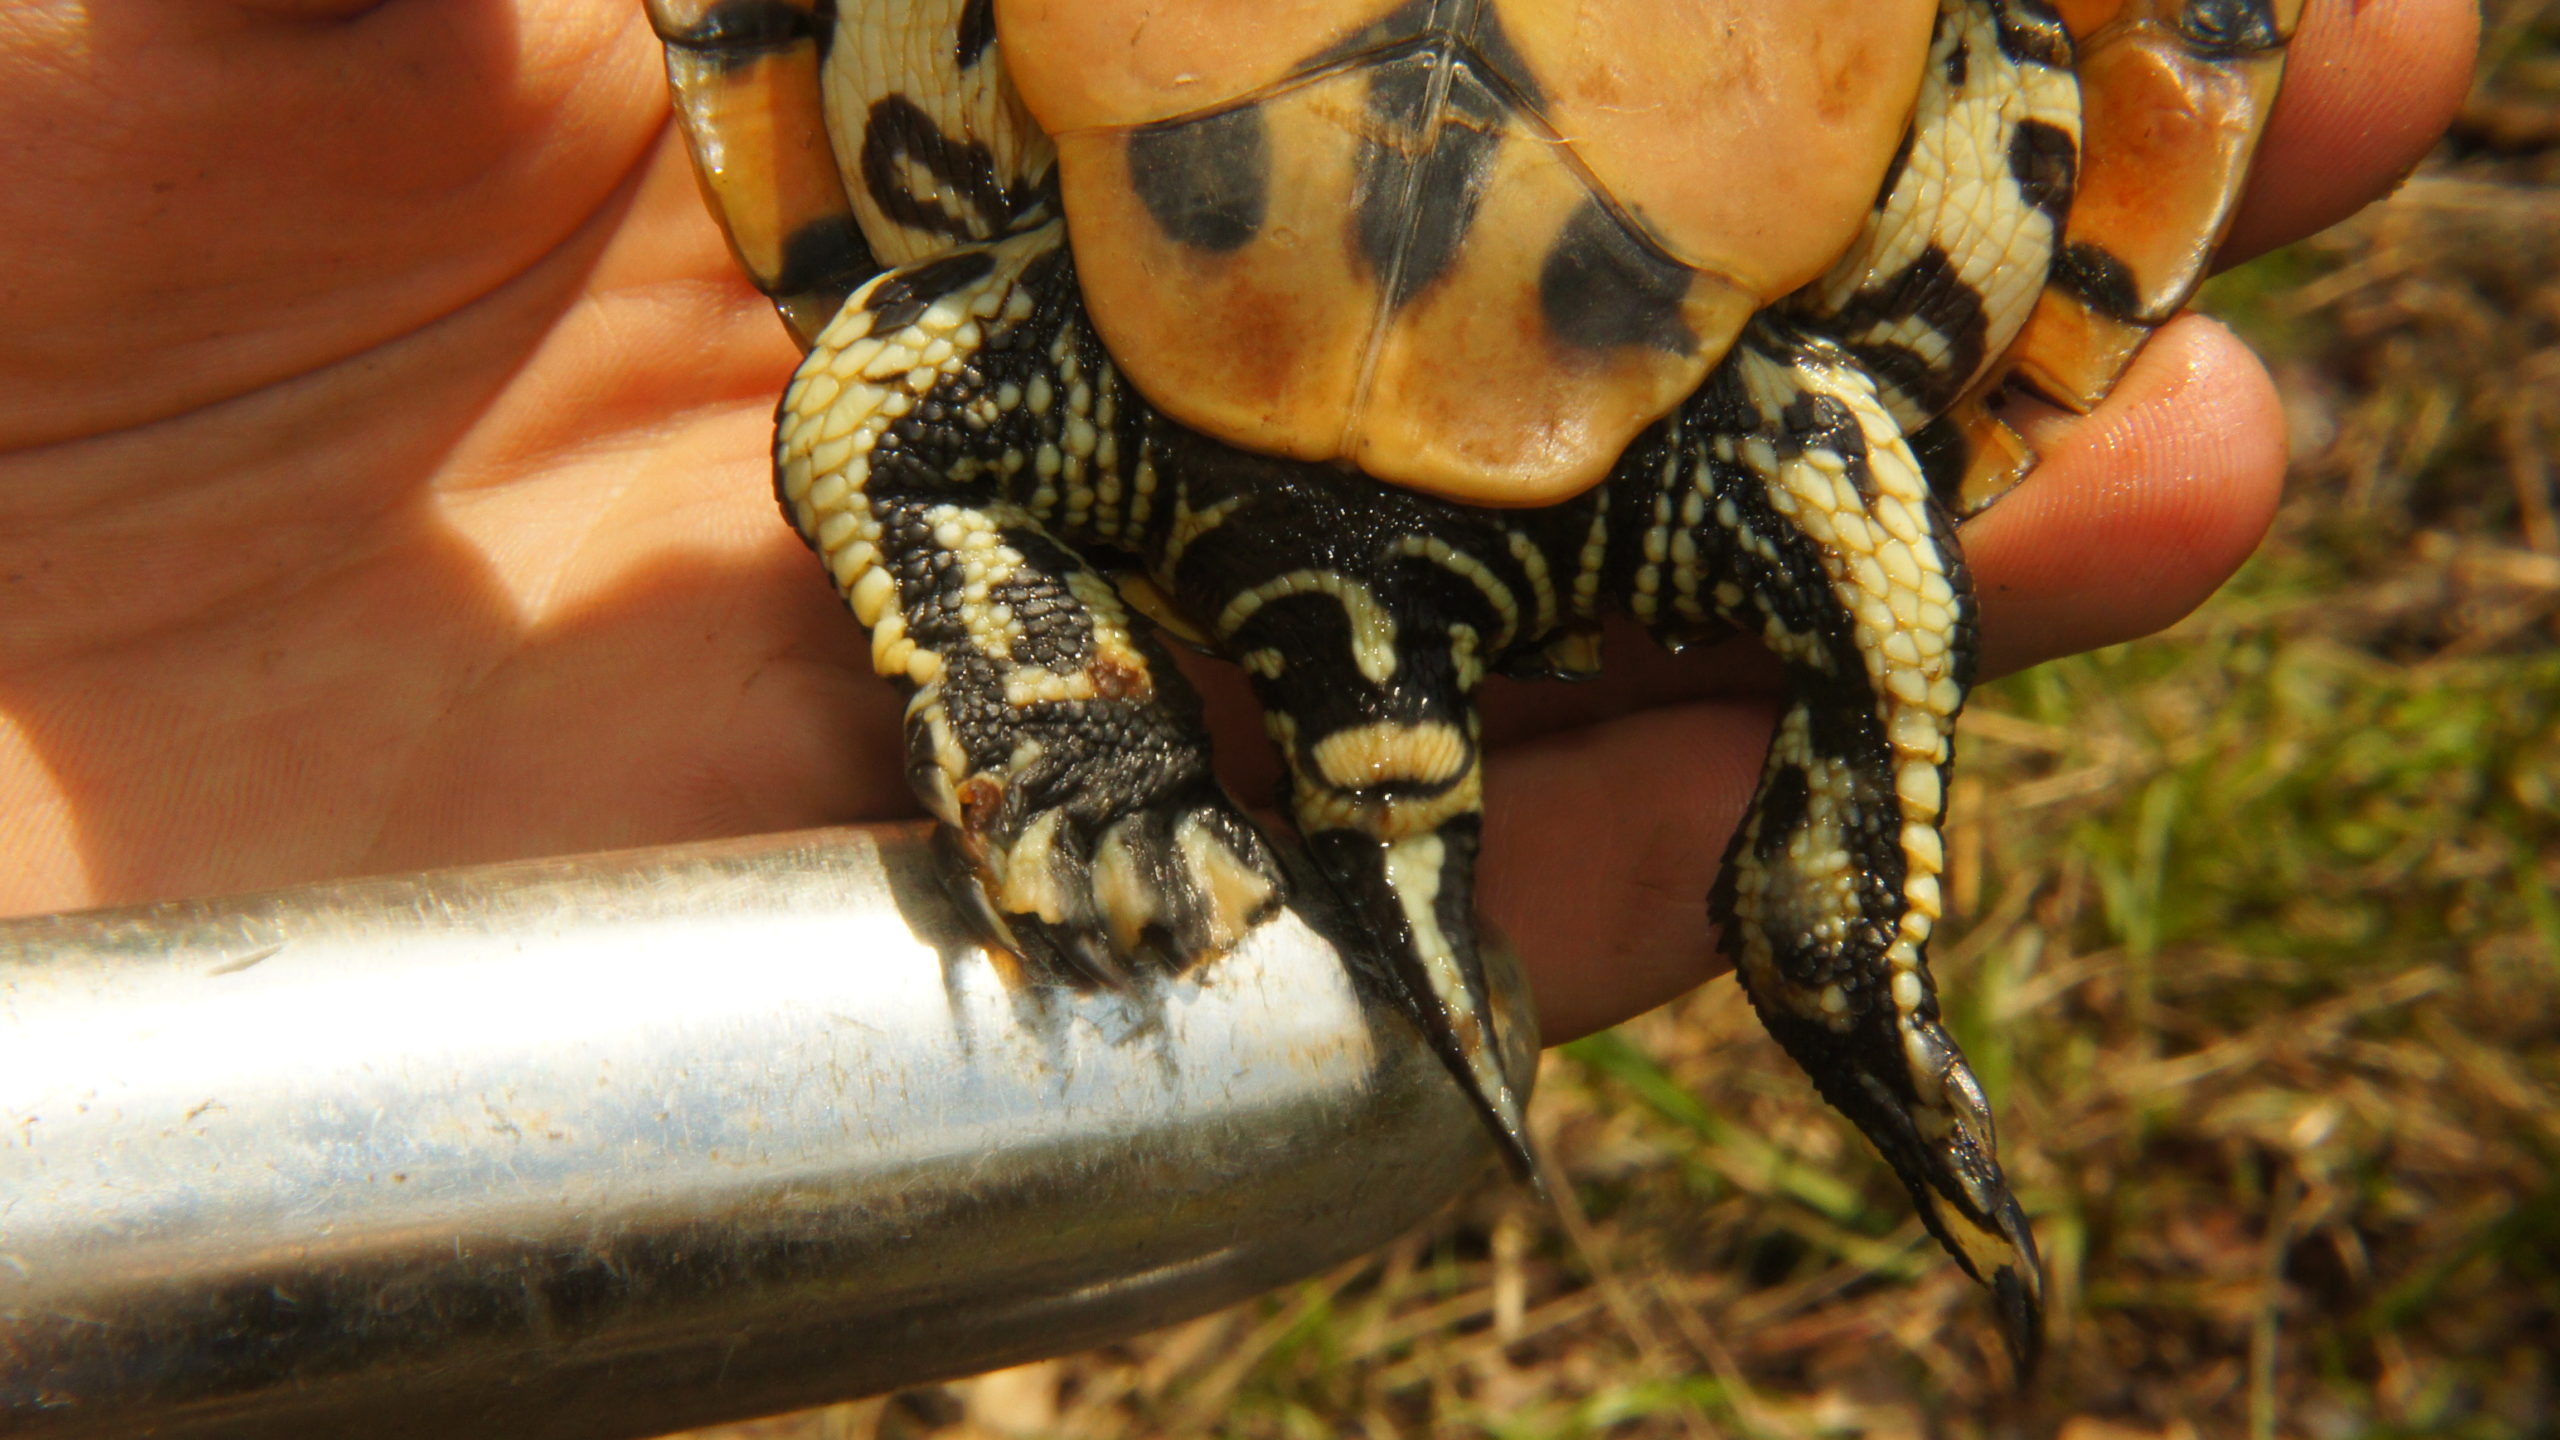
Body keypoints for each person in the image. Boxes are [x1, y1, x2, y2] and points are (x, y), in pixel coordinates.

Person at [0, 0, 2477, 1045]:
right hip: (1644, 414)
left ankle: (1046, 695)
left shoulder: (953, 348)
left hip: (1082, 333)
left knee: (921, 424)